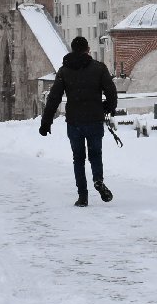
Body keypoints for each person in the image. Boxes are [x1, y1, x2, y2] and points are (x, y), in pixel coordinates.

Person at [39, 36, 119, 207]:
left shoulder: (64, 71)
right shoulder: (99, 68)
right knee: (95, 154)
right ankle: (98, 180)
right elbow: (111, 92)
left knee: (78, 159)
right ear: (88, 49)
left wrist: (46, 121)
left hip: (74, 122)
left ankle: (82, 196)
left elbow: (54, 98)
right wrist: (108, 107)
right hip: (94, 119)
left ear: (73, 50)